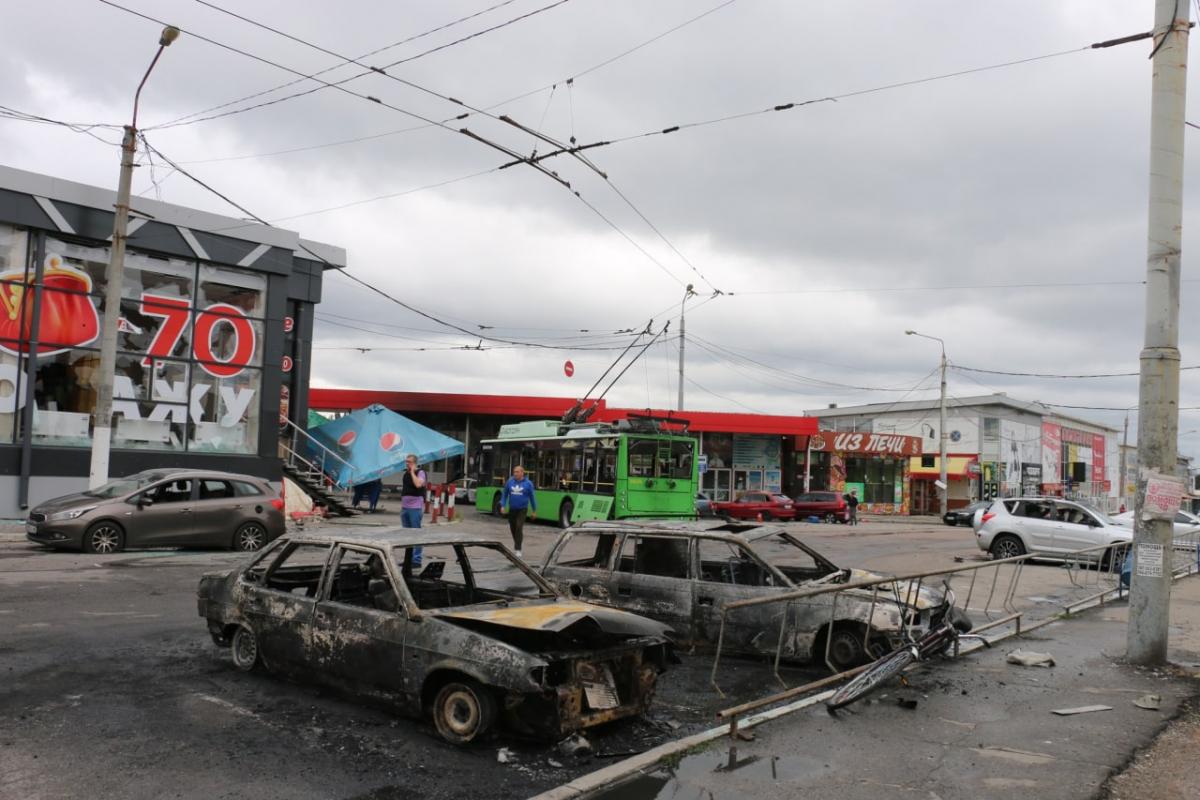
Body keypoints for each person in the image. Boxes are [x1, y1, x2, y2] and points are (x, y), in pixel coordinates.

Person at [500, 464, 537, 558]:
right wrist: (503, 506)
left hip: (522, 509)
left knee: (519, 527)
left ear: (522, 473)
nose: (515, 474)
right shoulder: (510, 482)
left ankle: (518, 549)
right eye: (514, 472)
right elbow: (504, 495)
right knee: (513, 528)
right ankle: (517, 544)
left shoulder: (528, 484)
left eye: (517, 472)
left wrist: (534, 510)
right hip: (512, 509)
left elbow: (532, 498)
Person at [400, 454, 426, 566]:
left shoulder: (420, 472)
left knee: (416, 533)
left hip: (415, 507)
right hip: (405, 507)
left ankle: (416, 560)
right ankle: (408, 559)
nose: (407, 463)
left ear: (415, 463)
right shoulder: (405, 474)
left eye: (409, 462)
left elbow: (418, 485)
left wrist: (412, 472)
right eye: (406, 461)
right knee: (406, 534)